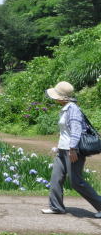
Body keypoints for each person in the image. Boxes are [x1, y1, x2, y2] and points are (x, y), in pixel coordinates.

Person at [41, 81, 101, 218]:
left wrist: (73, 149)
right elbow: (66, 132)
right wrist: (59, 147)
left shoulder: (73, 108)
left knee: (76, 182)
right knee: (56, 178)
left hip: (72, 151)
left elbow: (76, 130)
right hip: (62, 150)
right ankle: (56, 207)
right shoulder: (65, 108)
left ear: (61, 97)